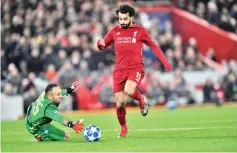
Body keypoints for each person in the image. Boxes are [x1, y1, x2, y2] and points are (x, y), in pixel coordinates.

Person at [97, 4, 172, 137]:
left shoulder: (140, 31)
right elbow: (103, 45)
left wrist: (165, 62)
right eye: (120, 19)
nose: (122, 22)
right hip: (119, 70)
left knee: (129, 90)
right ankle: (124, 127)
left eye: (125, 19)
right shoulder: (114, 31)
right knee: (120, 103)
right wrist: (100, 44)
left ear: (131, 17)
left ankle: (141, 99)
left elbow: (153, 46)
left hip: (135, 68)